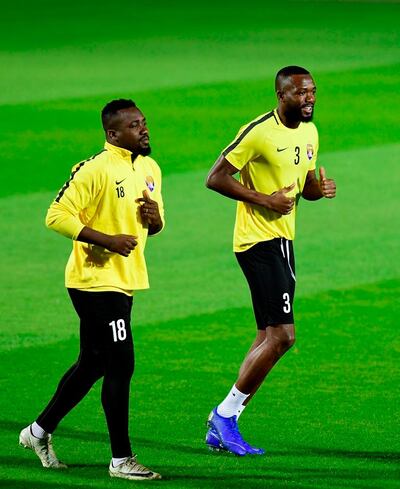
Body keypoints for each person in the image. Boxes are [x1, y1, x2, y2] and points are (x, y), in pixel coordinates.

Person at [19, 99, 164, 480]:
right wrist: (107, 240)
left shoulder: (150, 169)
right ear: (113, 134)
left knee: (93, 364)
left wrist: (156, 219)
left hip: (125, 278)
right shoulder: (95, 169)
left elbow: (155, 222)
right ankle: (120, 459)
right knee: (121, 363)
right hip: (94, 281)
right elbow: (56, 215)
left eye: (144, 122)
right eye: (134, 126)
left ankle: (38, 432)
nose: (144, 129)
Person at [205, 66, 336, 456]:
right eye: (300, 93)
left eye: (312, 91)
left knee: (267, 336)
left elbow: (303, 188)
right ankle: (224, 417)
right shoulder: (259, 131)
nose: (309, 98)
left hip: (283, 241)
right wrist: (265, 200)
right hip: (257, 241)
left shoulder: (311, 132)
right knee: (283, 336)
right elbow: (215, 177)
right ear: (281, 96)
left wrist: (319, 189)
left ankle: (224, 423)